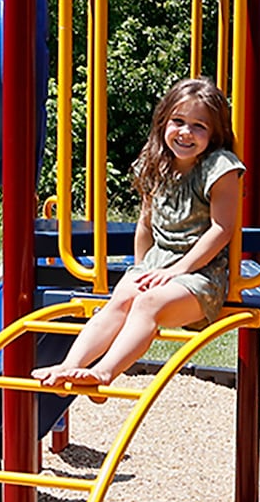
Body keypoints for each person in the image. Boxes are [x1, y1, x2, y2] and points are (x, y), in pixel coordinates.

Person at [34, 78, 244, 390]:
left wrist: (176, 270)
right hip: (159, 267)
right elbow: (145, 224)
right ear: (164, 121)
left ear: (214, 134)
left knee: (148, 303)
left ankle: (103, 373)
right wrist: (140, 267)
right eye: (178, 121)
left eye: (199, 126)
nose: (186, 132)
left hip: (201, 275)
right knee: (121, 298)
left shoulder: (219, 167)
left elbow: (221, 229)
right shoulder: (155, 162)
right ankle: (69, 365)